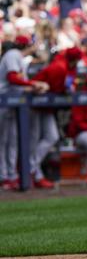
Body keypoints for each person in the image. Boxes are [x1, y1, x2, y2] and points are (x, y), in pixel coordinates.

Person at [0, 36, 49, 190]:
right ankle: (4, 177)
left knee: (12, 141)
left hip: (14, 102)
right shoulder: (12, 54)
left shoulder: (20, 57)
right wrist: (34, 84)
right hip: (4, 101)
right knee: (3, 142)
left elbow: (19, 82)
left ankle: (11, 175)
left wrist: (32, 87)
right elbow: (12, 77)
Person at [30, 46, 83, 187]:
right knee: (32, 141)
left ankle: (32, 168)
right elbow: (56, 88)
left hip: (46, 108)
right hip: (32, 105)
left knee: (52, 137)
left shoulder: (69, 67)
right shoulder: (59, 67)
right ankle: (31, 172)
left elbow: (66, 86)